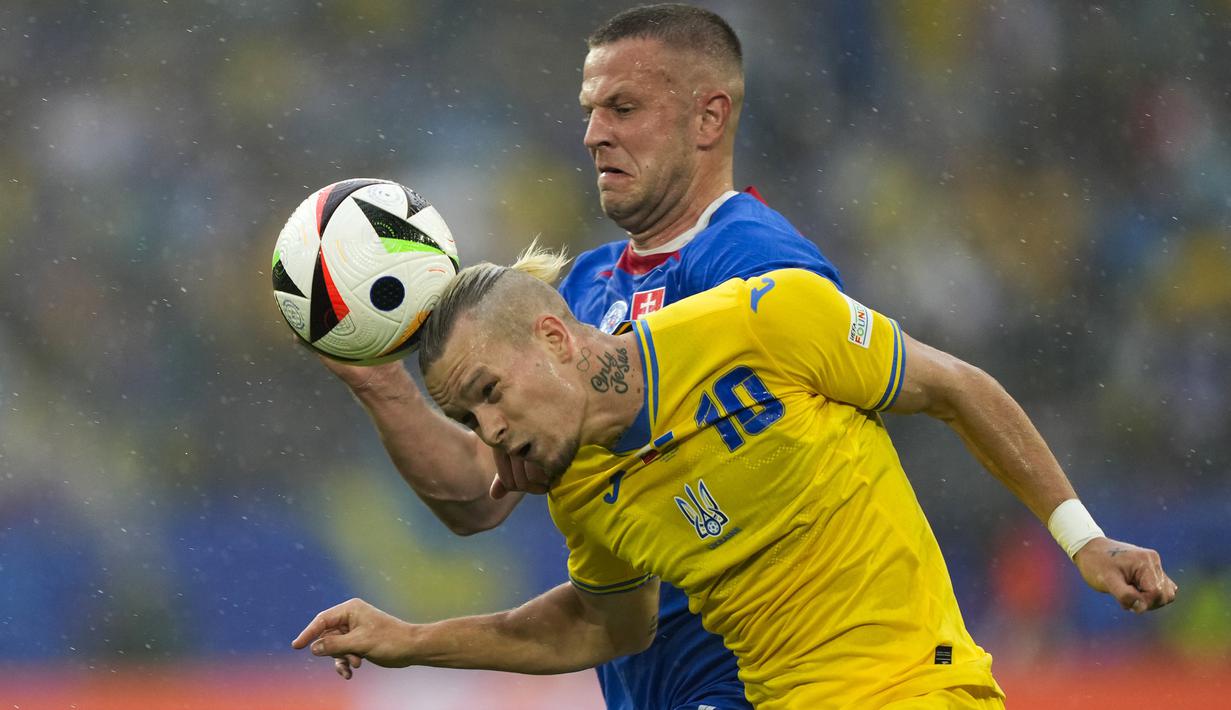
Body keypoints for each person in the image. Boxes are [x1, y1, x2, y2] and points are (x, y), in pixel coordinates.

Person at [294, 262, 1178, 708]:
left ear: (556, 339)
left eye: (488, 393)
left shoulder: (762, 319)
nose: (488, 431)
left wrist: (1082, 538)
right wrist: (410, 639)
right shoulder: (581, 490)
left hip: (913, 688)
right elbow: (604, 625)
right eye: (468, 416)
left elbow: (953, 387)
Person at [317, 5, 842, 708]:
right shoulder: (586, 288)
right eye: (591, 112)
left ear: (708, 119)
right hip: (649, 680)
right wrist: (378, 380)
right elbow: (478, 496)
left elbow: (808, 466)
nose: (594, 134)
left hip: (759, 673)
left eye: (623, 109)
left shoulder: (753, 263)